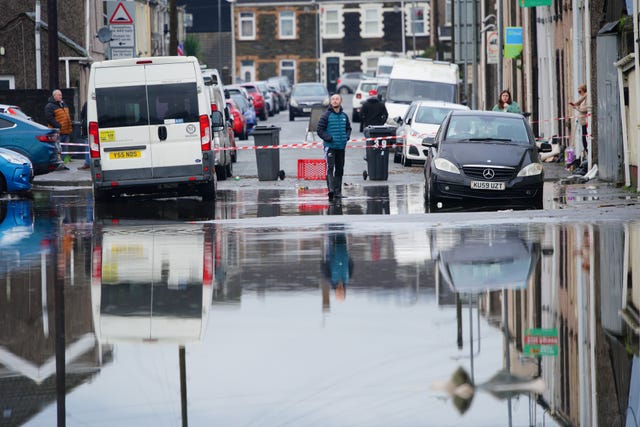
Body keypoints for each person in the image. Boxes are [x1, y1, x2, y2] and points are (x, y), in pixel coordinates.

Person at [317, 93, 352, 201]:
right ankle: (331, 191)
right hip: (330, 147)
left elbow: (348, 128)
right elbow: (319, 130)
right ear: (330, 102)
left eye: (337, 99)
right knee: (330, 168)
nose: (335, 101)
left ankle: (338, 192)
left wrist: (347, 137)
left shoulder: (344, 116)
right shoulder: (326, 115)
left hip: (341, 147)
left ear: (341, 101)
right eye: (333, 99)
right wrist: (328, 138)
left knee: (340, 169)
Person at [44, 89, 73, 170]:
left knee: (65, 150)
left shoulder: (64, 104)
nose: (61, 96)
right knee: (57, 149)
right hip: (57, 132)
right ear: (54, 96)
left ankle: (62, 165)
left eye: (61, 95)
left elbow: (67, 116)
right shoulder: (49, 106)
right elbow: (49, 118)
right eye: (59, 95)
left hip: (66, 131)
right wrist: (58, 126)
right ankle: (56, 165)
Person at [569, 84, 590, 156]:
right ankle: (587, 153)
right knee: (583, 139)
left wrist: (576, 108)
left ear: (583, 90)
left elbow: (586, 109)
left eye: (580, 90)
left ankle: (588, 152)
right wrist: (574, 105)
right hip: (582, 122)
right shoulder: (583, 98)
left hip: (586, 122)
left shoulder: (587, 97)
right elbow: (577, 103)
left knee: (585, 139)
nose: (578, 92)